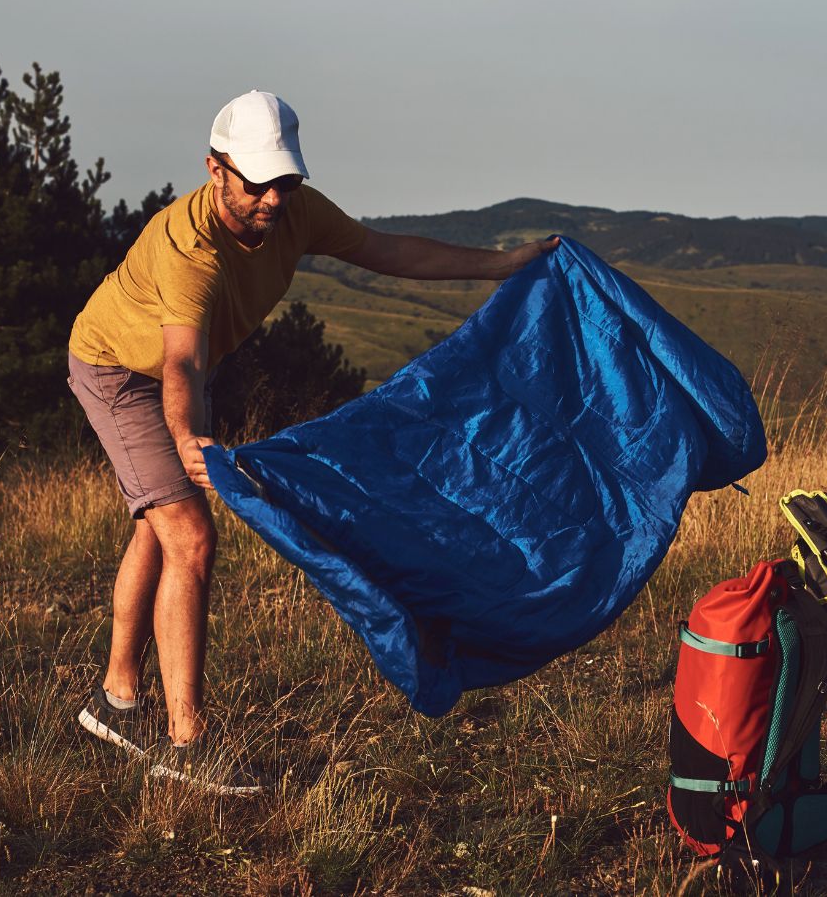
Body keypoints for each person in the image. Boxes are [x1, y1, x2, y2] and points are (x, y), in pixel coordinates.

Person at [66, 90, 557, 794]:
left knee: (160, 526)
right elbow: (179, 362)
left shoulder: (298, 213)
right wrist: (184, 435)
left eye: (284, 180)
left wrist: (501, 263)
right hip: (120, 369)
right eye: (256, 182)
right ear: (214, 169)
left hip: (180, 369)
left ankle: (115, 701)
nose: (272, 198)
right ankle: (186, 741)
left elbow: (390, 251)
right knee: (191, 536)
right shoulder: (190, 251)